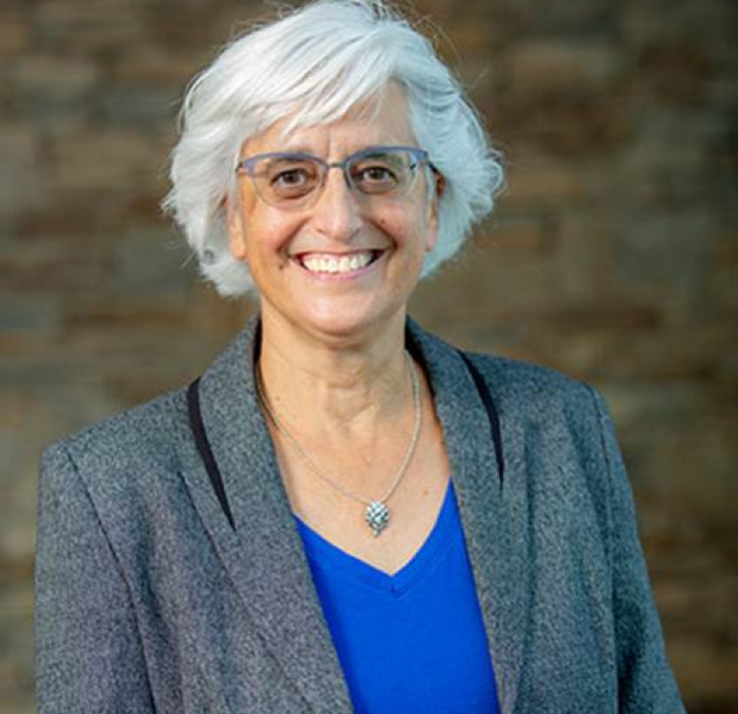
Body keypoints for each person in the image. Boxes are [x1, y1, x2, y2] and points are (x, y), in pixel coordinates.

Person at [34, 1, 687, 712]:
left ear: (432, 202)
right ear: (233, 216)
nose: (340, 218)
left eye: (377, 170)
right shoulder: (112, 492)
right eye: (290, 176)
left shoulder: (561, 430)